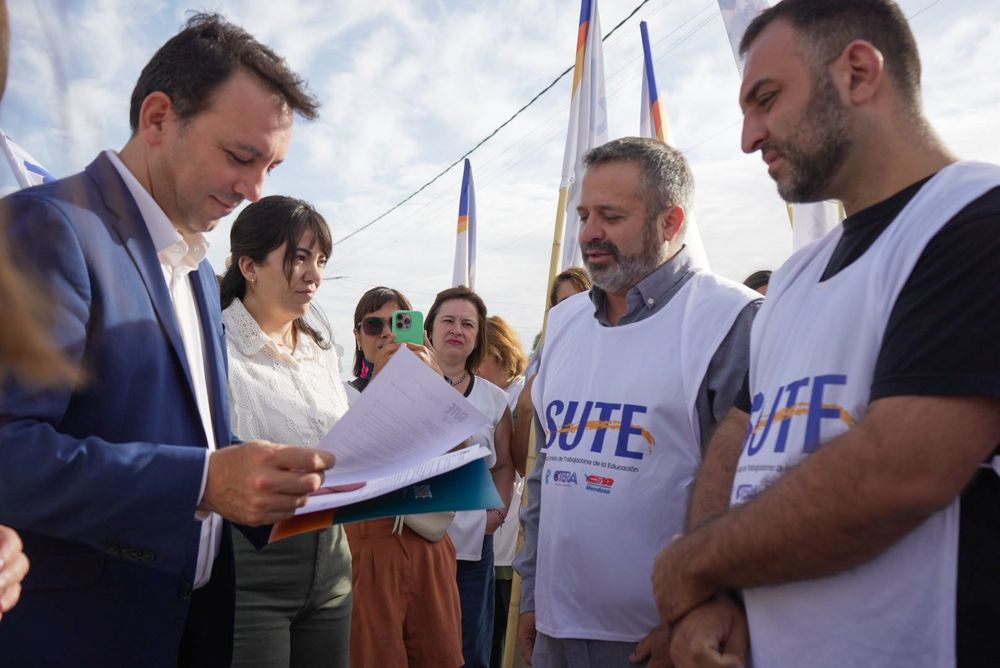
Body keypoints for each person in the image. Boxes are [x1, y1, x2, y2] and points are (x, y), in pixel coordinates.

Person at [652, 2, 1000, 667]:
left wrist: (691, 565)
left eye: (766, 99)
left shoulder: (974, 219)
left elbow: (900, 473)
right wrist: (712, 595)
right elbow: (739, 432)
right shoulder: (793, 276)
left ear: (859, 72)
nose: (749, 137)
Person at [0, 14, 334, 667]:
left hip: (189, 629)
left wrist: (274, 478)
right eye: (242, 157)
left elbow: (194, 443)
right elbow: (10, 450)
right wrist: (203, 482)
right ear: (158, 119)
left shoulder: (196, 274)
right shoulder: (48, 230)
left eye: (272, 166)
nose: (254, 190)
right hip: (80, 638)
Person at [513, 136, 759, 668]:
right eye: (583, 215)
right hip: (555, 630)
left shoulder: (732, 321)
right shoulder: (563, 322)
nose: (589, 234)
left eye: (611, 216)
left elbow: (753, 495)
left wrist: (700, 615)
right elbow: (546, 471)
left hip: (661, 642)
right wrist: (531, 594)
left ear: (671, 223)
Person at [218, 196, 352, 667]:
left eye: (320, 260)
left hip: (334, 557)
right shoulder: (214, 345)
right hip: (249, 561)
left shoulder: (323, 353)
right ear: (249, 265)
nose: (314, 274)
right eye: (298, 257)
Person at [344, 285, 465, 668]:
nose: (385, 334)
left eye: (398, 323)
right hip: (368, 549)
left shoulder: (437, 393)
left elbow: (460, 471)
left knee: (439, 655)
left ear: (418, 335)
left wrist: (435, 388)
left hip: (429, 546)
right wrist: (382, 384)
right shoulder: (339, 395)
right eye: (372, 324)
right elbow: (348, 469)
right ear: (358, 336)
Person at [427, 286, 516, 668]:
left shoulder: (495, 400)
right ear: (430, 328)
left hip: (471, 550)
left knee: (469, 651)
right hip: (413, 543)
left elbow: (504, 466)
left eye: (467, 324)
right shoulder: (404, 387)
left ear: (478, 337)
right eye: (448, 320)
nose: (456, 330)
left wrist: (494, 517)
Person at [476, 315, 529, 668]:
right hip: (485, 531)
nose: (474, 365)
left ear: (499, 352)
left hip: (514, 530)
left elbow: (515, 462)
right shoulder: (482, 393)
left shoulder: (522, 393)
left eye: (479, 355)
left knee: (502, 638)